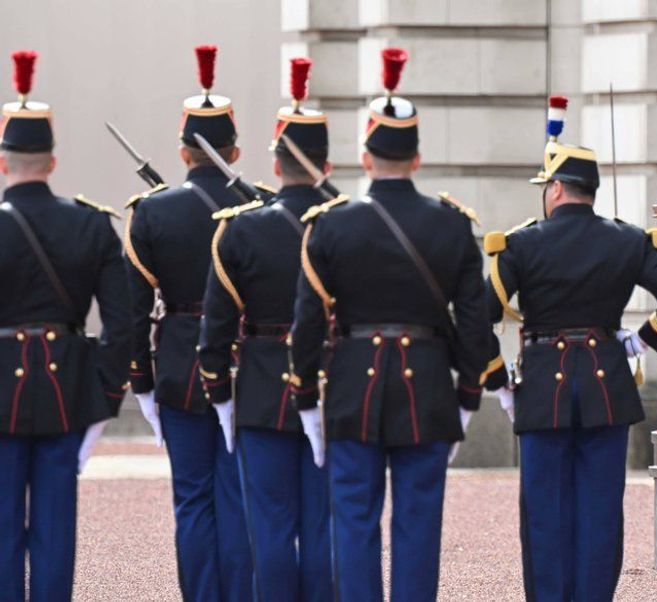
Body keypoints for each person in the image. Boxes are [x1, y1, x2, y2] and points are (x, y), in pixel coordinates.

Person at [288, 47, 492, 601]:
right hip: (427, 386)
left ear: (365, 155)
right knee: (419, 523)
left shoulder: (330, 227)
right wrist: (470, 393)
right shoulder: (452, 227)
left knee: (353, 519)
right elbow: (474, 319)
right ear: (417, 158)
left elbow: (308, 321)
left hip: (354, 385)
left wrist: (306, 396)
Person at [481, 95, 657, 600]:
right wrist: (640, 341)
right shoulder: (627, 240)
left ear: (555, 189)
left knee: (544, 510)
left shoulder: (521, 244)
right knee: (601, 509)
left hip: (540, 384)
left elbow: (480, 313)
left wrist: (496, 377)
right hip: (607, 381)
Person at [198, 57, 331, 601]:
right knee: (324, 524)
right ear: (324, 162)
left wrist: (220, 395)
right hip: (330, 385)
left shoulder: (239, 231)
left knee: (270, 528)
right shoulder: (344, 222)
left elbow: (216, 328)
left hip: (259, 388)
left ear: (275, 165)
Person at [0, 50, 132, 600]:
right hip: (65, 386)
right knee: (55, 521)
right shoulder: (91, 224)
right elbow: (123, 320)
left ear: (3, 161)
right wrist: (101, 390)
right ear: (52, 162)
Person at [123, 45, 253, 599]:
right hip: (250, 366)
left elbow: (131, 312)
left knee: (193, 498)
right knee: (239, 495)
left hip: (178, 366)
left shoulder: (152, 212)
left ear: (183, 152)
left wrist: (142, 384)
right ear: (236, 149)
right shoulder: (261, 206)